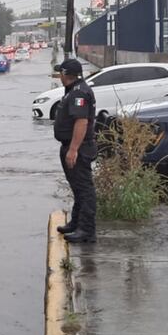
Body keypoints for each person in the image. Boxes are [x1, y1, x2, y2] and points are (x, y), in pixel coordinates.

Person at [52, 58, 97, 243]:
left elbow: (81, 122)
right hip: (72, 146)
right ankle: (76, 223)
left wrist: (73, 150)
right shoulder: (73, 91)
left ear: (66, 74)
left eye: (60, 73)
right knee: (78, 188)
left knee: (85, 189)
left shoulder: (79, 93)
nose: (59, 76)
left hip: (79, 148)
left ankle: (86, 231)